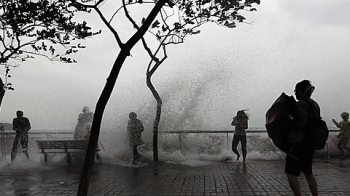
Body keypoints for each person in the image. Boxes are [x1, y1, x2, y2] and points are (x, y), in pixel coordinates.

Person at [285, 80, 319, 196]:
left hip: (299, 142)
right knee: (308, 172)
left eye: (296, 91)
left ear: (300, 91)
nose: (295, 94)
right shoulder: (314, 104)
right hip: (310, 142)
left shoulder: (300, 104)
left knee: (291, 172)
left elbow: (302, 123)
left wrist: (290, 126)